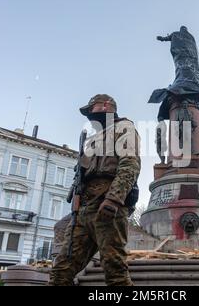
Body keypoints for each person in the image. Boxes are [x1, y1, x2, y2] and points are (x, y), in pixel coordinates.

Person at [50, 94, 141, 286]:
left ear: (107, 106)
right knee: (61, 270)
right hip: (83, 211)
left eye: (92, 110)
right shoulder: (91, 140)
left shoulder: (124, 128)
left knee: (114, 270)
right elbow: (80, 178)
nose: (89, 116)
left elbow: (129, 166)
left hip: (107, 207)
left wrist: (114, 199)